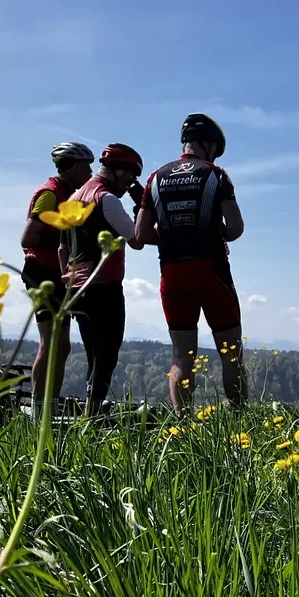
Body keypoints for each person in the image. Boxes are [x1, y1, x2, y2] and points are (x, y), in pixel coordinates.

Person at [135, 113, 246, 415]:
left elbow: (141, 233)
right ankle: (239, 420)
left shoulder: (155, 178)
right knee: (231, 353)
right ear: (209, 145)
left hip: (172, 274)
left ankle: (182, 428)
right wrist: (212, 231)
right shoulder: (216, 174)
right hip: (212, 271)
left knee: (181, 356)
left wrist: (172, 235)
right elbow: (235, 228)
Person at [60, 143, 145, 417]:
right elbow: (137, 240)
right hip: (104, 285)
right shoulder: (106, 199)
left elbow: (63, 248)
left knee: (93, 354)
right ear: (119, 171)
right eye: (131, 176)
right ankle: (91, 419)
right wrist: (142, 206)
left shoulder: (73, 198)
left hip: (76, 286)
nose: (131, 182)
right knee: (107, 356)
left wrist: (67, 282)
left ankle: (88, 414)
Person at [19, 142, 94, 417]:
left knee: (62, 346)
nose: (90, 171)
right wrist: (62, 237)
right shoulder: (49, 195)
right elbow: (27, 239)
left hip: (60, 274)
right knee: (50, 343)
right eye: (86, 166)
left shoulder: (72, 193)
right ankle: (39, 410)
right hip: (41, 272)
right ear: (72, 166)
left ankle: (49, 405)